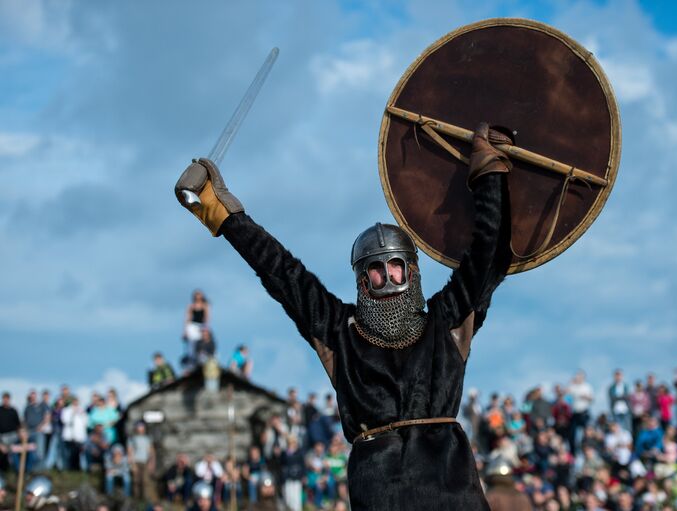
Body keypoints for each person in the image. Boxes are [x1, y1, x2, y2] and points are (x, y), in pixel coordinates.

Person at [175, 122, 513, 510]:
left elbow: (488, 253)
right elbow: (282, 272)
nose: (388, 277)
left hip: (452, 494)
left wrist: (489, 172)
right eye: (376, 268)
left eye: (397, 266)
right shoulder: (339, 333)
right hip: (380, 492)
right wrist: (225, 214)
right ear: (361, 278)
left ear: (413, 271)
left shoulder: (446, 322)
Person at [127, 421, 156, 501]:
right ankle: (136, 499)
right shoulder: (132, 439)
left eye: (142, 427)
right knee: (136, 481)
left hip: (145, 462)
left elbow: (151, 452)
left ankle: (145, 500)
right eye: (139, 427)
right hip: (136, 461)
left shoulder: (148, 439)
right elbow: (130, 451)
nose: (140, 429)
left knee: (145, 481)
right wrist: (132, 464)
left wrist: (152, 463)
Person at [0, 392, 20, 471]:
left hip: (13, 436)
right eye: (4, 399)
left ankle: (15, 470)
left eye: (7, 399)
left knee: (13, 451)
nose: (6, 400)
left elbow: (18, 425)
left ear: (9, 399)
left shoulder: (13, 411)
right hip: (1, 437)